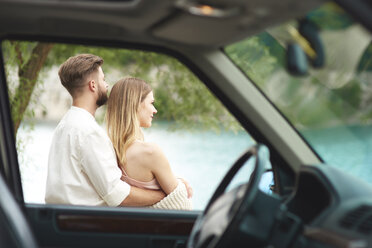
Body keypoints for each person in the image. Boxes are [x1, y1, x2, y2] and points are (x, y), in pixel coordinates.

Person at [45, 54, 183, 207]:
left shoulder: (64, 125)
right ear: (93, 85)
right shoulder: (89, 132)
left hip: (62, 217)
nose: (106, 85)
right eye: (103, 80)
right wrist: (165, 194)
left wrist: (173, 180)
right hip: (83, 224)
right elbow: (117, 194)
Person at [106, 77, 192, 210]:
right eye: (151, 103)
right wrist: (180, 188)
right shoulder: (150, 152)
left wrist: (178, 181)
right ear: (136, 104)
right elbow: (183, 206)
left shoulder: (107, 150)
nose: (155, 110)